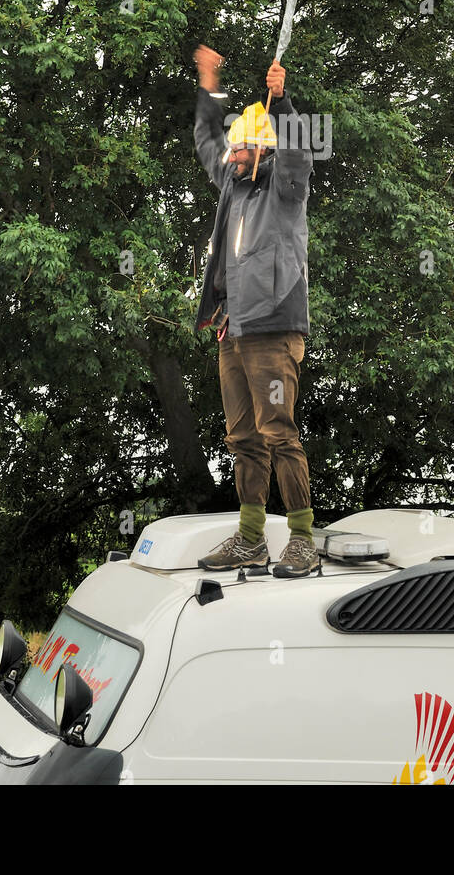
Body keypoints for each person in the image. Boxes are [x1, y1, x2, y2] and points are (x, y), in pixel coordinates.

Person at [192, 44, 318, 579]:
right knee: (242, 438)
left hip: (273, 331)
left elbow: (299, 152)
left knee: (278, 433)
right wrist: (209, 84)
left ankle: (303, 540)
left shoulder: (286, 188)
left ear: (263, 152)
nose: (233, 152)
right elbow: (206, 142)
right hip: (233, 331)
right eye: (235, 146)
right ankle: (250, 539)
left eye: (242, 147)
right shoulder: (232, 189)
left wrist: (283, 102)